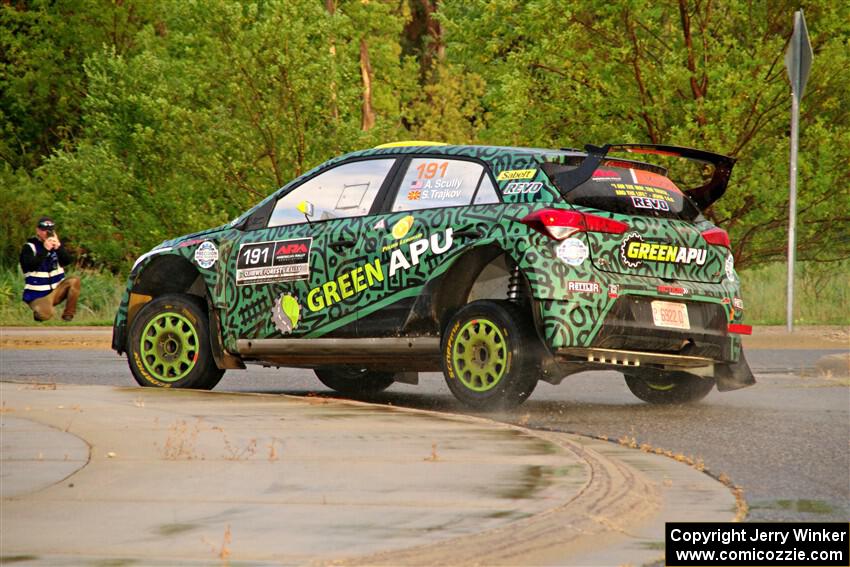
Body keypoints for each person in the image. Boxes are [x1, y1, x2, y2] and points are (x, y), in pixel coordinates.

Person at [19, 216, 81, 322]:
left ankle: (68, 316)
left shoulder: (55, 246)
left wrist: (59, 248)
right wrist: (44, 249)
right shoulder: (29, 247)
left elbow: (67, 261)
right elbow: (30, 266)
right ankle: (39, 311)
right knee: (45, 315)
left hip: (57, 289)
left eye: (50, 230)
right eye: (43, 230)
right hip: (38, 294)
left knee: (74, 281)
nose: (47, 233)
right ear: (38, 230)